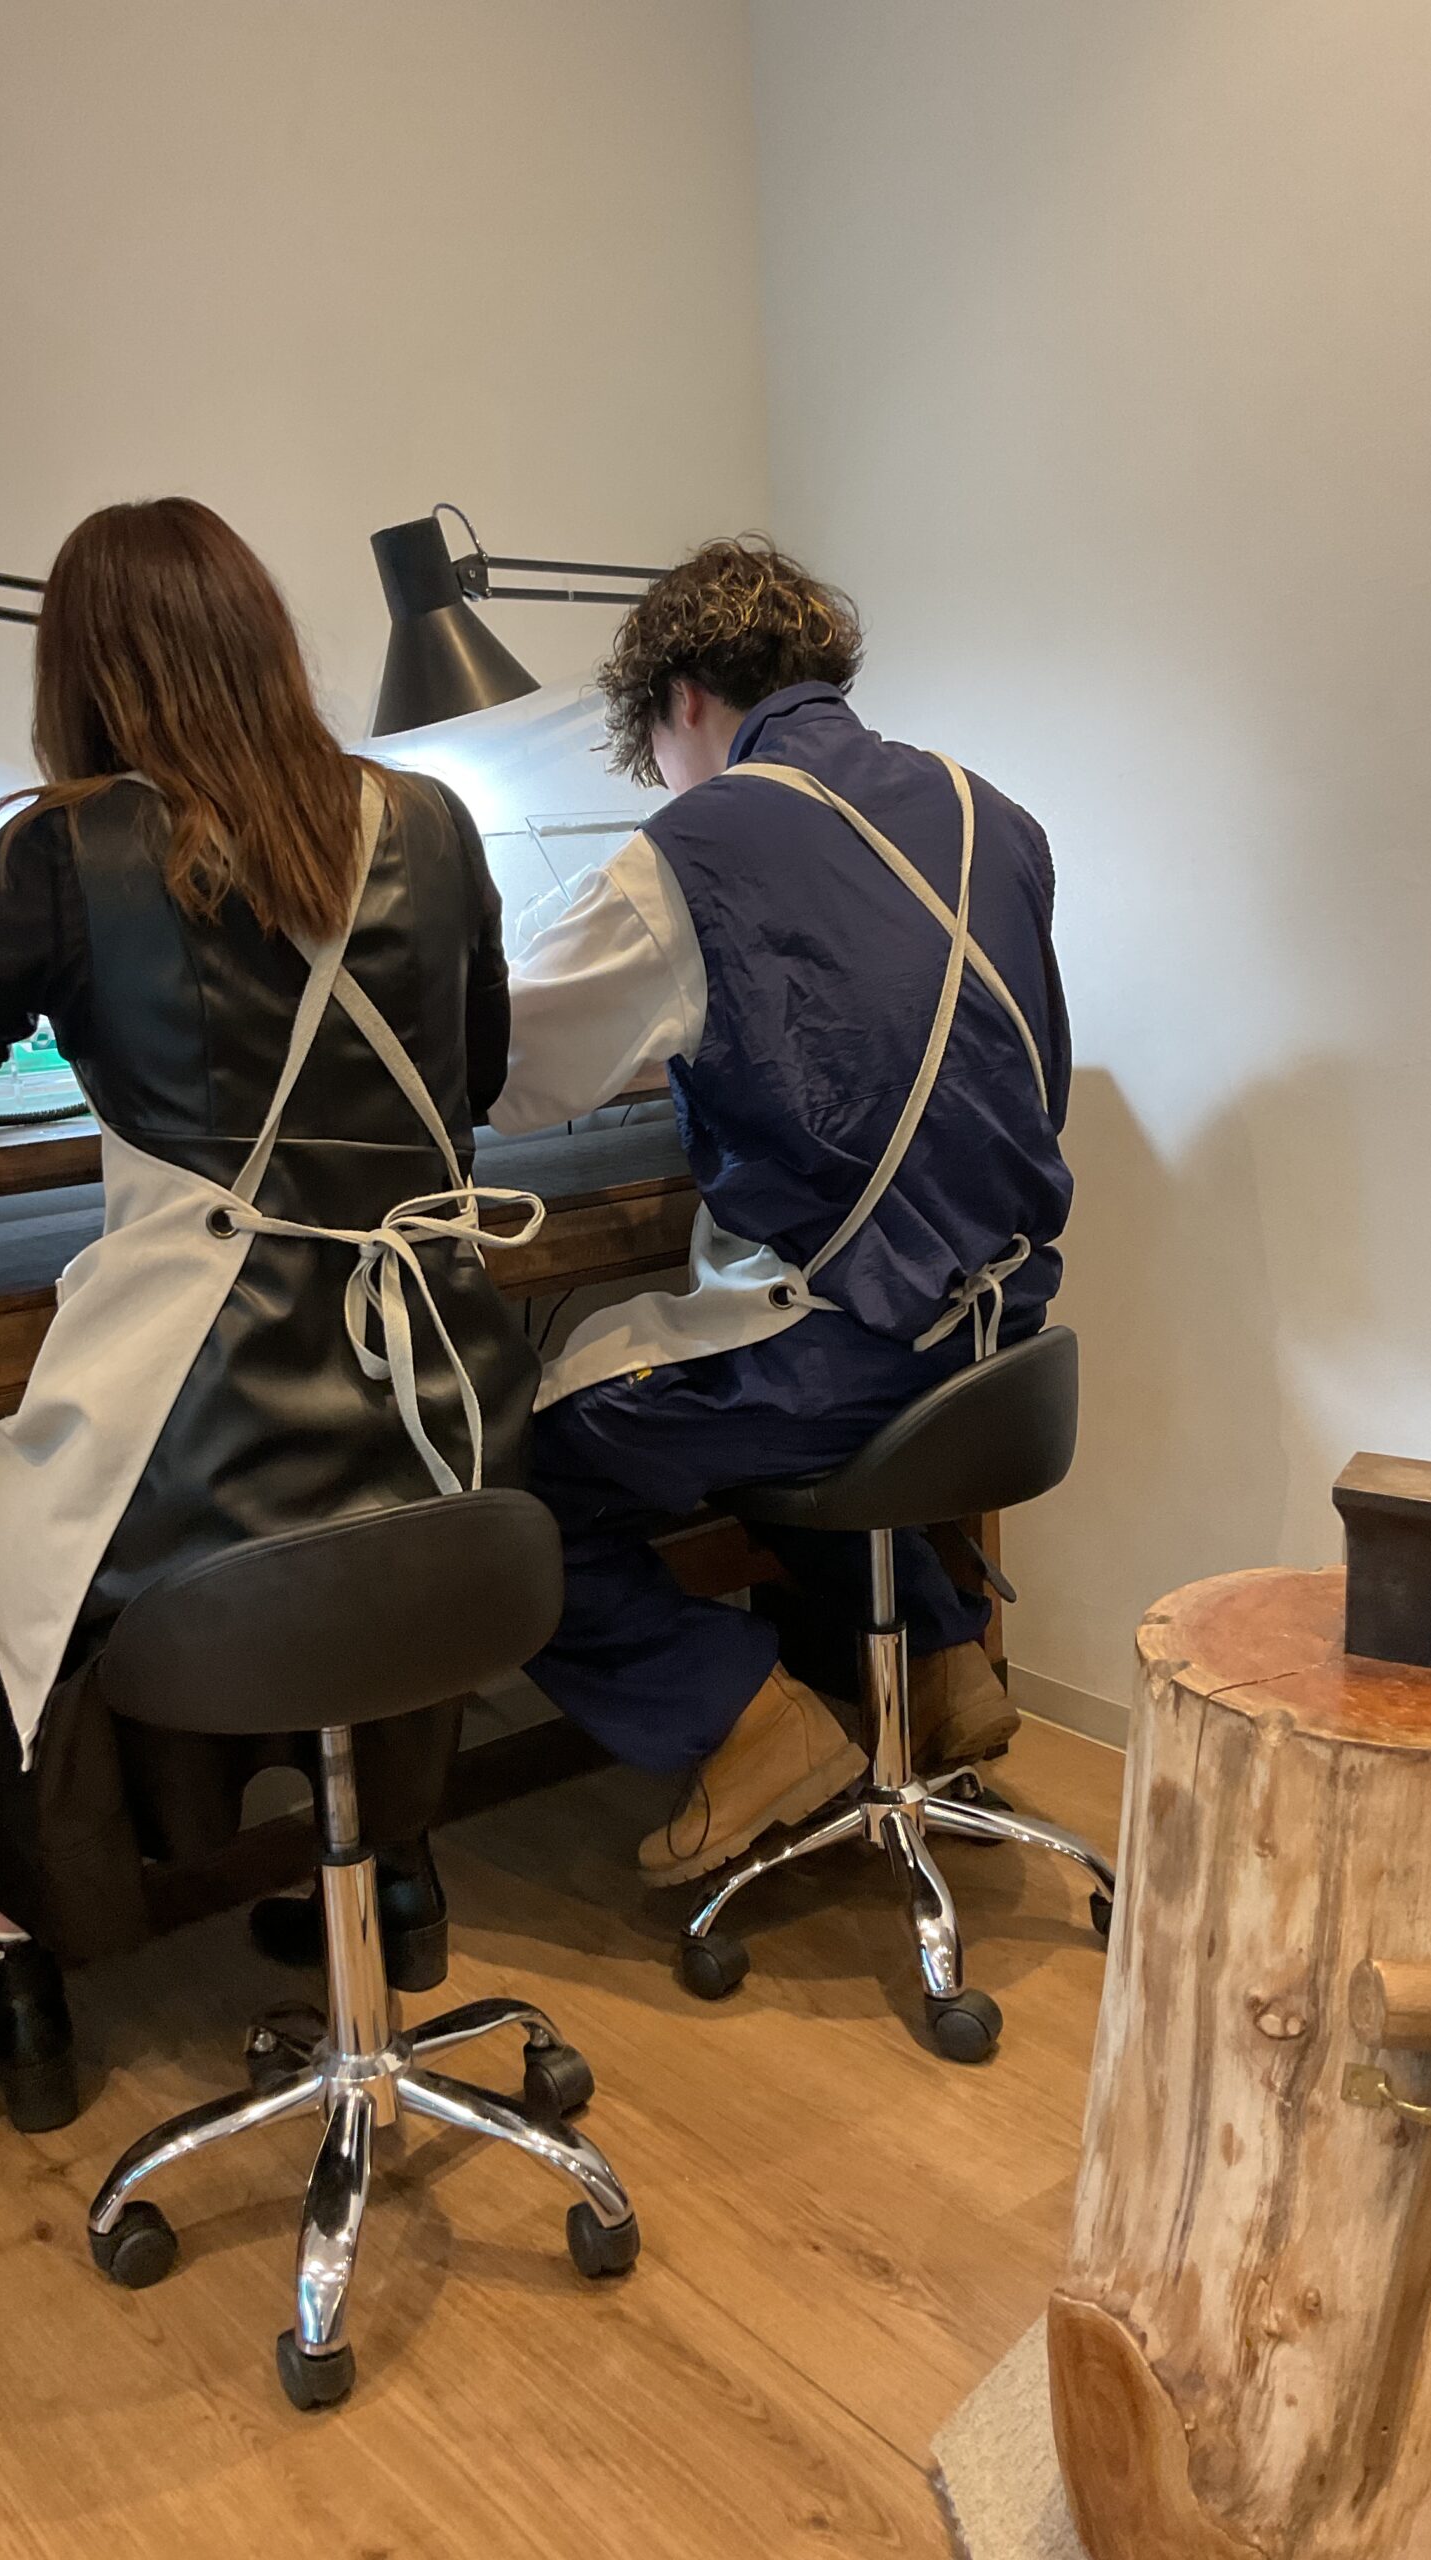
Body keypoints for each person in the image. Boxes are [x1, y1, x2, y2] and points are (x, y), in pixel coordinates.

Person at [0, 498, 538, 2129]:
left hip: (210, 1416)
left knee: (24, 1577)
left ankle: (12, 1972)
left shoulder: (59, 855)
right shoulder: (431, 823)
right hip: (435, 1386)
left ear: (81, 671)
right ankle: (393, 1876)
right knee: (366, 1539)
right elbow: (476, 1079)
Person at [491, 538, 1073, 1886]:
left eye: (656, 750)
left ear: (683, 698)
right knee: (771, 1402)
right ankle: (941, 1660)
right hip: (999, 1328)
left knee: (518, 1480)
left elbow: (514, 1076)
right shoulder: (991, 813)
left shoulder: (703, 842)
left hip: (853, 1351)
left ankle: (744, 1724)